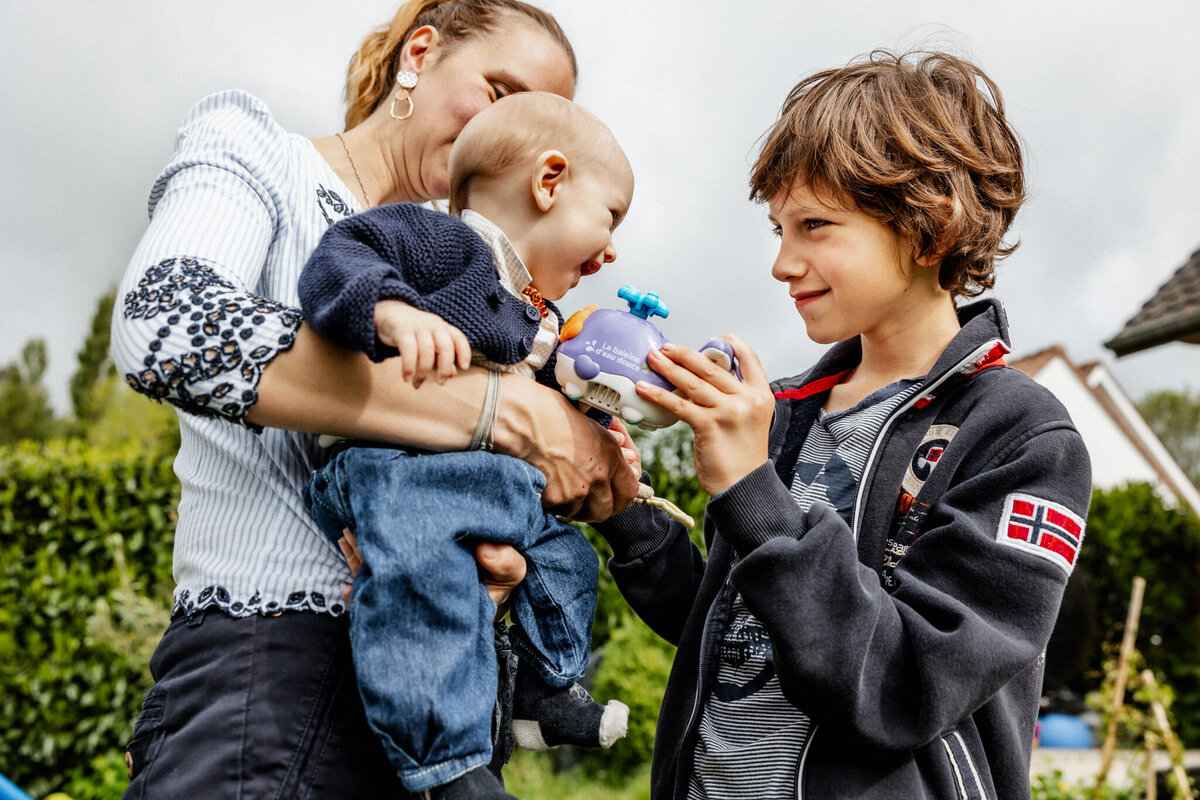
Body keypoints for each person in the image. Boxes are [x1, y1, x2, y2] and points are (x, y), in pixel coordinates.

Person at [109, 3, 640, 798]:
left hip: (437, 692)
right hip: (276, 681)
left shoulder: (482, 270)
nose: (513, 133)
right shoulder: (266, 153)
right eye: (501, 93)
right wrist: (508, 414)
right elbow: (167, 324)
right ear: (419, 53)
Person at [596, 50, 1092, 800]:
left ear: (932, 227)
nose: (783, 263)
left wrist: (755, 492)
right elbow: (734, 631)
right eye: (778, 229)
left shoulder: (1022, 440)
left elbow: (903, 683)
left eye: (816, 225)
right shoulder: (786, 411)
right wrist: (624, 513)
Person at [297, 91, 635, 799]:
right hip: (395, 469)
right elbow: (338, 258)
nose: (610, 250)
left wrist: (606, 424)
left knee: (565, 555)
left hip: (477, 483)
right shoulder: (441, 243)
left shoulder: (540, 316)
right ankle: (448, 767)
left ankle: (543, 690)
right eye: (609, 219)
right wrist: (386, 308)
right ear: (548, 183)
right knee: (428, 584)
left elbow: (558, 410)